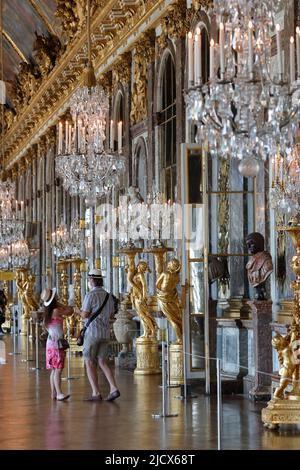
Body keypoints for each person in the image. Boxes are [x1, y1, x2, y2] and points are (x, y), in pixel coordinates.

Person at [76, 268, 120, 402]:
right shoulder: (108, 296)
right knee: (102, 361)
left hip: (92, 333)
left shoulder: (90, 295)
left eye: (89, 279)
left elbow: (85, 314)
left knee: (89, 362)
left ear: (92, 281)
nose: (88, 281)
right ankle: (113, 388)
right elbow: (112, 315)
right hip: (105, 333)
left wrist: (76, 310)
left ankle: (96, 392)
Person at [41, 288, 73, 401]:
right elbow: (70, 311)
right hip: (56, 343)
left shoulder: (48, 311)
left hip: (51, 343)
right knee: (58, 369)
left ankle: (54, 392)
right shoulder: (56, 310)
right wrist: (60, 303)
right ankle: (59, 393)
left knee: (54, 370)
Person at [246, 232, 273, 300]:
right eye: (247, 244)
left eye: (251, 243)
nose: (248, 247)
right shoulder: (251, 261)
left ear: (259, 243)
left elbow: (268, 270)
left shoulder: (266, 261)